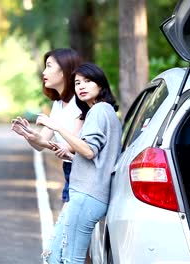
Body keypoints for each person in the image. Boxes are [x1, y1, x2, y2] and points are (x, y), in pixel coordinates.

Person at [37, 62, 122, 263]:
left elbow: (90, 151)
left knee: (70, 259)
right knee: (54, 256)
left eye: (87, 81)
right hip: (87, 193)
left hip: (88, 194)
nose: (81, 86)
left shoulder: (100, 110)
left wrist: (56, 126)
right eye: (77, 83)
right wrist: (71, 156)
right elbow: (96, 157)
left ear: (100, 85)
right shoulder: (103, 111)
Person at [11, 48, 83, 203]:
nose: (44, 72)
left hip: (83, 173)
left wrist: (43, 142)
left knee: (65, 227)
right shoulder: (58, 104)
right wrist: (27, 134)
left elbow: (72, 146)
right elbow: (40, 143)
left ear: (64, 70)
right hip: (69, 170)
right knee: (66, 226)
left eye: (49, 66)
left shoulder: (80, 103)